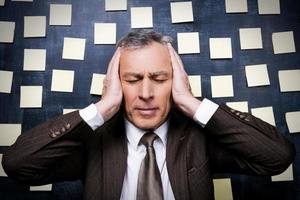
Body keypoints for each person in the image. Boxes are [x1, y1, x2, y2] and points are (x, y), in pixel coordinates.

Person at [2, 29, 295, 200]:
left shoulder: (199, 138)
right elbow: (17, 165)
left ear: (176, 80)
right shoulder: (95, 142)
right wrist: (103, 107)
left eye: (158, 78)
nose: (145, 93)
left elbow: (277, 157)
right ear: (116, 83)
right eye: (131, 80)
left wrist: (189, 102)